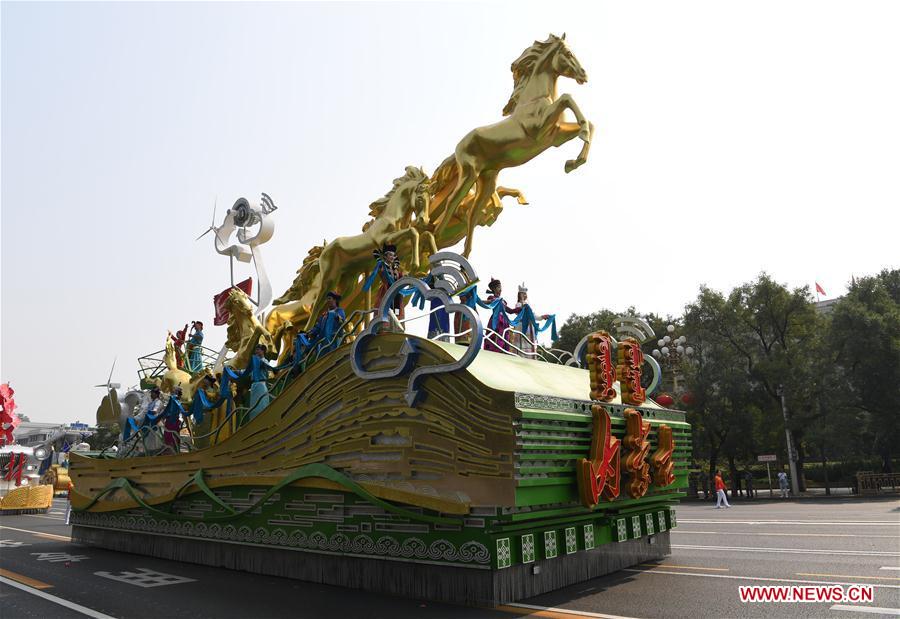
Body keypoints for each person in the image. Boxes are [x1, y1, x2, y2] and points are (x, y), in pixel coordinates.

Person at [363, 243, 406, 320]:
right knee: (387, 308)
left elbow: (400, 277)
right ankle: (387, 321)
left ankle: (396, 320)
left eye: (393, 255)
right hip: (386, 290)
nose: (392, 257)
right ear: (385, 256)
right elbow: (381, 270)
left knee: (397, 309)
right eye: (390, 255)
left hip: (396, 292)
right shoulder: (382, 266)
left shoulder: (395, 269)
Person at [509, 283, 552, 357]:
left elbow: (533, 316)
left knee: (528, 343)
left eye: (525, 294)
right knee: (521, 343)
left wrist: (542, 317)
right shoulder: (518, 304)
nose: (524, 295)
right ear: (519, 295)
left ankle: (529, 357)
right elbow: (517, 312)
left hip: (529, 327)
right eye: (523, 294)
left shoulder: (528, 305)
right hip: (521, 326)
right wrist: (522, 301)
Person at [483, 278, 522, 353]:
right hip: (496, 321)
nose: (500, 289)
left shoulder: (503, 301)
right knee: (495, 339)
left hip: (504, 322)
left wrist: (520, 309)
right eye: (498, 287)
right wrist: (477, 300)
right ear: (494, 289)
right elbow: (487, 302)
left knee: (504, 338)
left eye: (501, 287)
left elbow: (510, 311)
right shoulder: (492, 298)